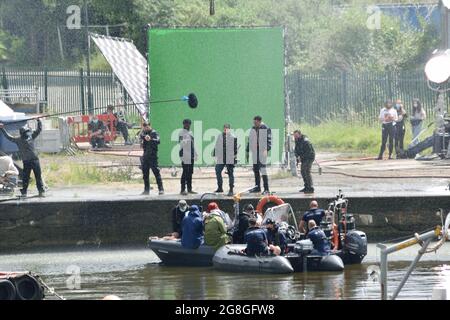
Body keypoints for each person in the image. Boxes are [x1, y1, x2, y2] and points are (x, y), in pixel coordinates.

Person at [0, 120, 45, 197]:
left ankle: (34, 192)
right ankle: (30, 192)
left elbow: (8, 137)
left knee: (32, 177)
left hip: (32, 161)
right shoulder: (29, 137)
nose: (27, 133)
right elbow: (39, 129)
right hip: (31, 161)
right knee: (29, 177)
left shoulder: (19, 139)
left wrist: (2, 128)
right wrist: (39, 121)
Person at [246, 116, 272, 195]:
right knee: (256, 169)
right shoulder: (253, 128)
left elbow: (269, 140)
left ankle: (266, 189)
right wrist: (247, 150)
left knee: (263, 169)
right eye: (254, 122)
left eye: (256, 122)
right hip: (255, 151)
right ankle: (257, 187)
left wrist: (266, 149)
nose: (254, 124)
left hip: (262, 151)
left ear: (260, 121)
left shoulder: (265, 128)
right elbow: (250, 140)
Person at [140, 122, 164, 195]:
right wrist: (144, 137)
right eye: (144, 126)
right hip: (146, 156)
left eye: (147, 126)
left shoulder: (154, 133)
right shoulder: (143, 133)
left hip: (153, 156)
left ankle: (161, 189)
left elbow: (158, 141)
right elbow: (141, 135)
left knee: (156, 173)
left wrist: (150, 139)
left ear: (150, 126)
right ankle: (146, 190)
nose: (146, 128)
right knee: (145, 174)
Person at [213, 124, 238, 196]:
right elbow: (217, 146)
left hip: (229, 157)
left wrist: (234, 157)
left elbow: (235, 149)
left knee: (230, 173)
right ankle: (220, 187)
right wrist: (215, 155)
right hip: (221, 157)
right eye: (224, 128)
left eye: (227, 128)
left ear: (229, 129)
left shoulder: (233, 137)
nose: (225, 129)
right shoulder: (220, 136)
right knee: (217, 170)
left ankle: (231, 189)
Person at [179, 119, 198, 195]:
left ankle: (189, 189)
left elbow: (192, 144)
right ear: (183, 124)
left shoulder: (190, 132)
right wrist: (185, 141)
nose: (187, 125)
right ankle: (182, 189)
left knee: (190, 172)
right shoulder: (181, 132)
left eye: (189, 124)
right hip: (185, 154)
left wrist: (195, 153)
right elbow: (180, 142)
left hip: (191, 154)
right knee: (185, 172)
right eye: (186, 124)